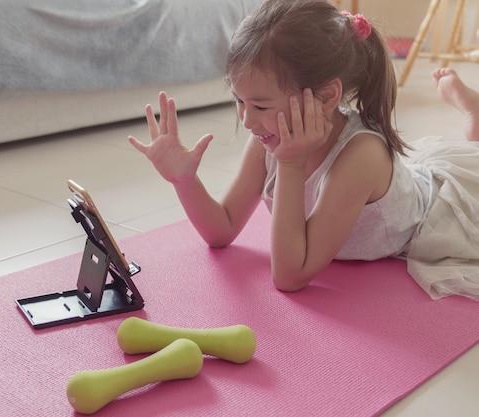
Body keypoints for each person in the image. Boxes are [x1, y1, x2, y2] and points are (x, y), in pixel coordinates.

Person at [128, 0, 479, 301]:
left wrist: (291, 165)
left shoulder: (362, 157)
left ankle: (472, 119)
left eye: (261, 106)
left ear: (326, 97)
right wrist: (184, 180)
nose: (248, 121)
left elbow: (289, 277)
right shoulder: (269, 136)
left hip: (439, 215)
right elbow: (223, 229)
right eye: (239, 101)